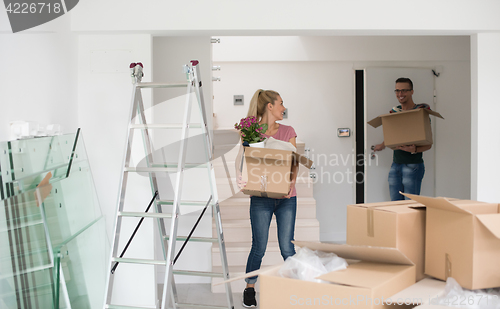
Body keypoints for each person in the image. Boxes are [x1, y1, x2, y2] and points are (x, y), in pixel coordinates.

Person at [237, 89, 298, 308]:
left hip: (286, 197)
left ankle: (296, 289)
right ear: (269, 106)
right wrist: (241, 177)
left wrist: (290, 185)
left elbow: (294, 162)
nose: (284, 107)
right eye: (281, 103)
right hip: (261, 197)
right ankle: (249, 288)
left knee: (287, 248)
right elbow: (243, 159)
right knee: (259, 247)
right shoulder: (250, 132)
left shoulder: (288, 130)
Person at [373, 77, 432, 201]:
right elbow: (394, 136)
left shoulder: (420, 114)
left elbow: (429, 145)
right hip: (396, 165)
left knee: (410, 206)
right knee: (395, 205)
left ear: (412, 92)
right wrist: (382, 145)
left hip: (413, 166)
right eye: (397, 91)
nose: (400, 94)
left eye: (404, 90)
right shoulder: (395, 113)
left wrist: (414, 149)